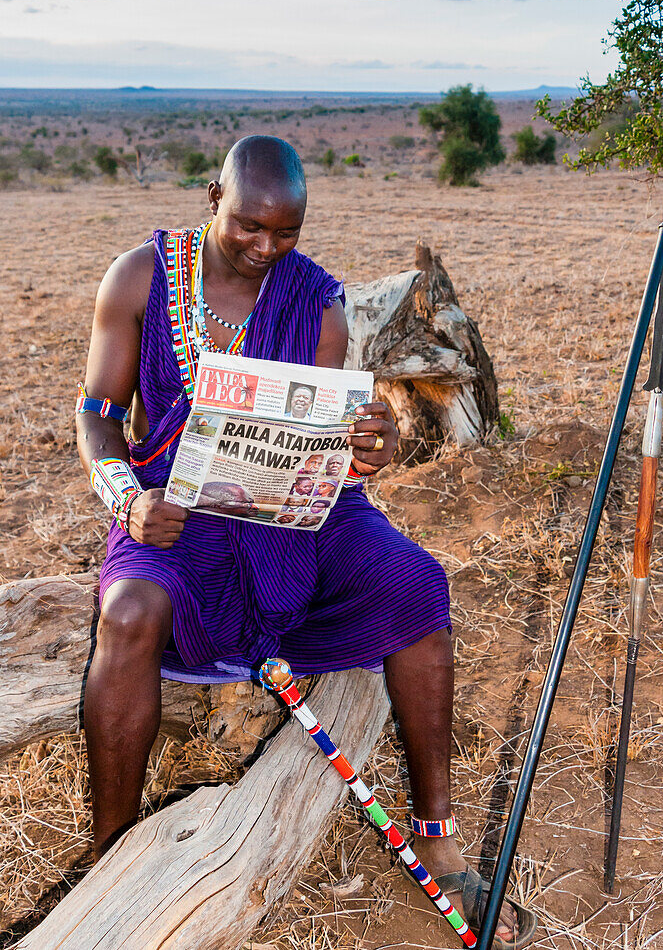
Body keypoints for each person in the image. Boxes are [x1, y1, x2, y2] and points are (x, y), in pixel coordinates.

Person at [75, 135, 532, 944]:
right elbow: (99, 416)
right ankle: (112, 853)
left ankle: (435, 830)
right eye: (250, 226)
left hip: (290, 514)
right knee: (127, 614)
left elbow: (322, 448)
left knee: (418, 583)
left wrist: (368, 448)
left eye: (285, 233)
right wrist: (127, 498)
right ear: (212, 200)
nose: (266, 248)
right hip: (173, 512)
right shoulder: (139, 277)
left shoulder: (315, 300)